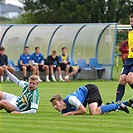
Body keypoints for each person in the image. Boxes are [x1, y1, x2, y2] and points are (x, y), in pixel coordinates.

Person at [50, 84, 133, 116]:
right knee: (104, 111)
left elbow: (83, 110)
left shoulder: (71, 99)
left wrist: (70, 114)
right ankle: (127, 103)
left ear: (61, 101)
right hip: (88, 96)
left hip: (90, 90)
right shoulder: (63, 111)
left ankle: (118, 105)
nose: (55, 107)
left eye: (56, 104)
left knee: (94, 112)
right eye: (53, 105)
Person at [115, 13, 133, 102]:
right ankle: (117, 104)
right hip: (129, 59)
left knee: (130, 79)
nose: (132, 23)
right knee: (122, 79)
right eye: (131, 21)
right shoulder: (130, 34)